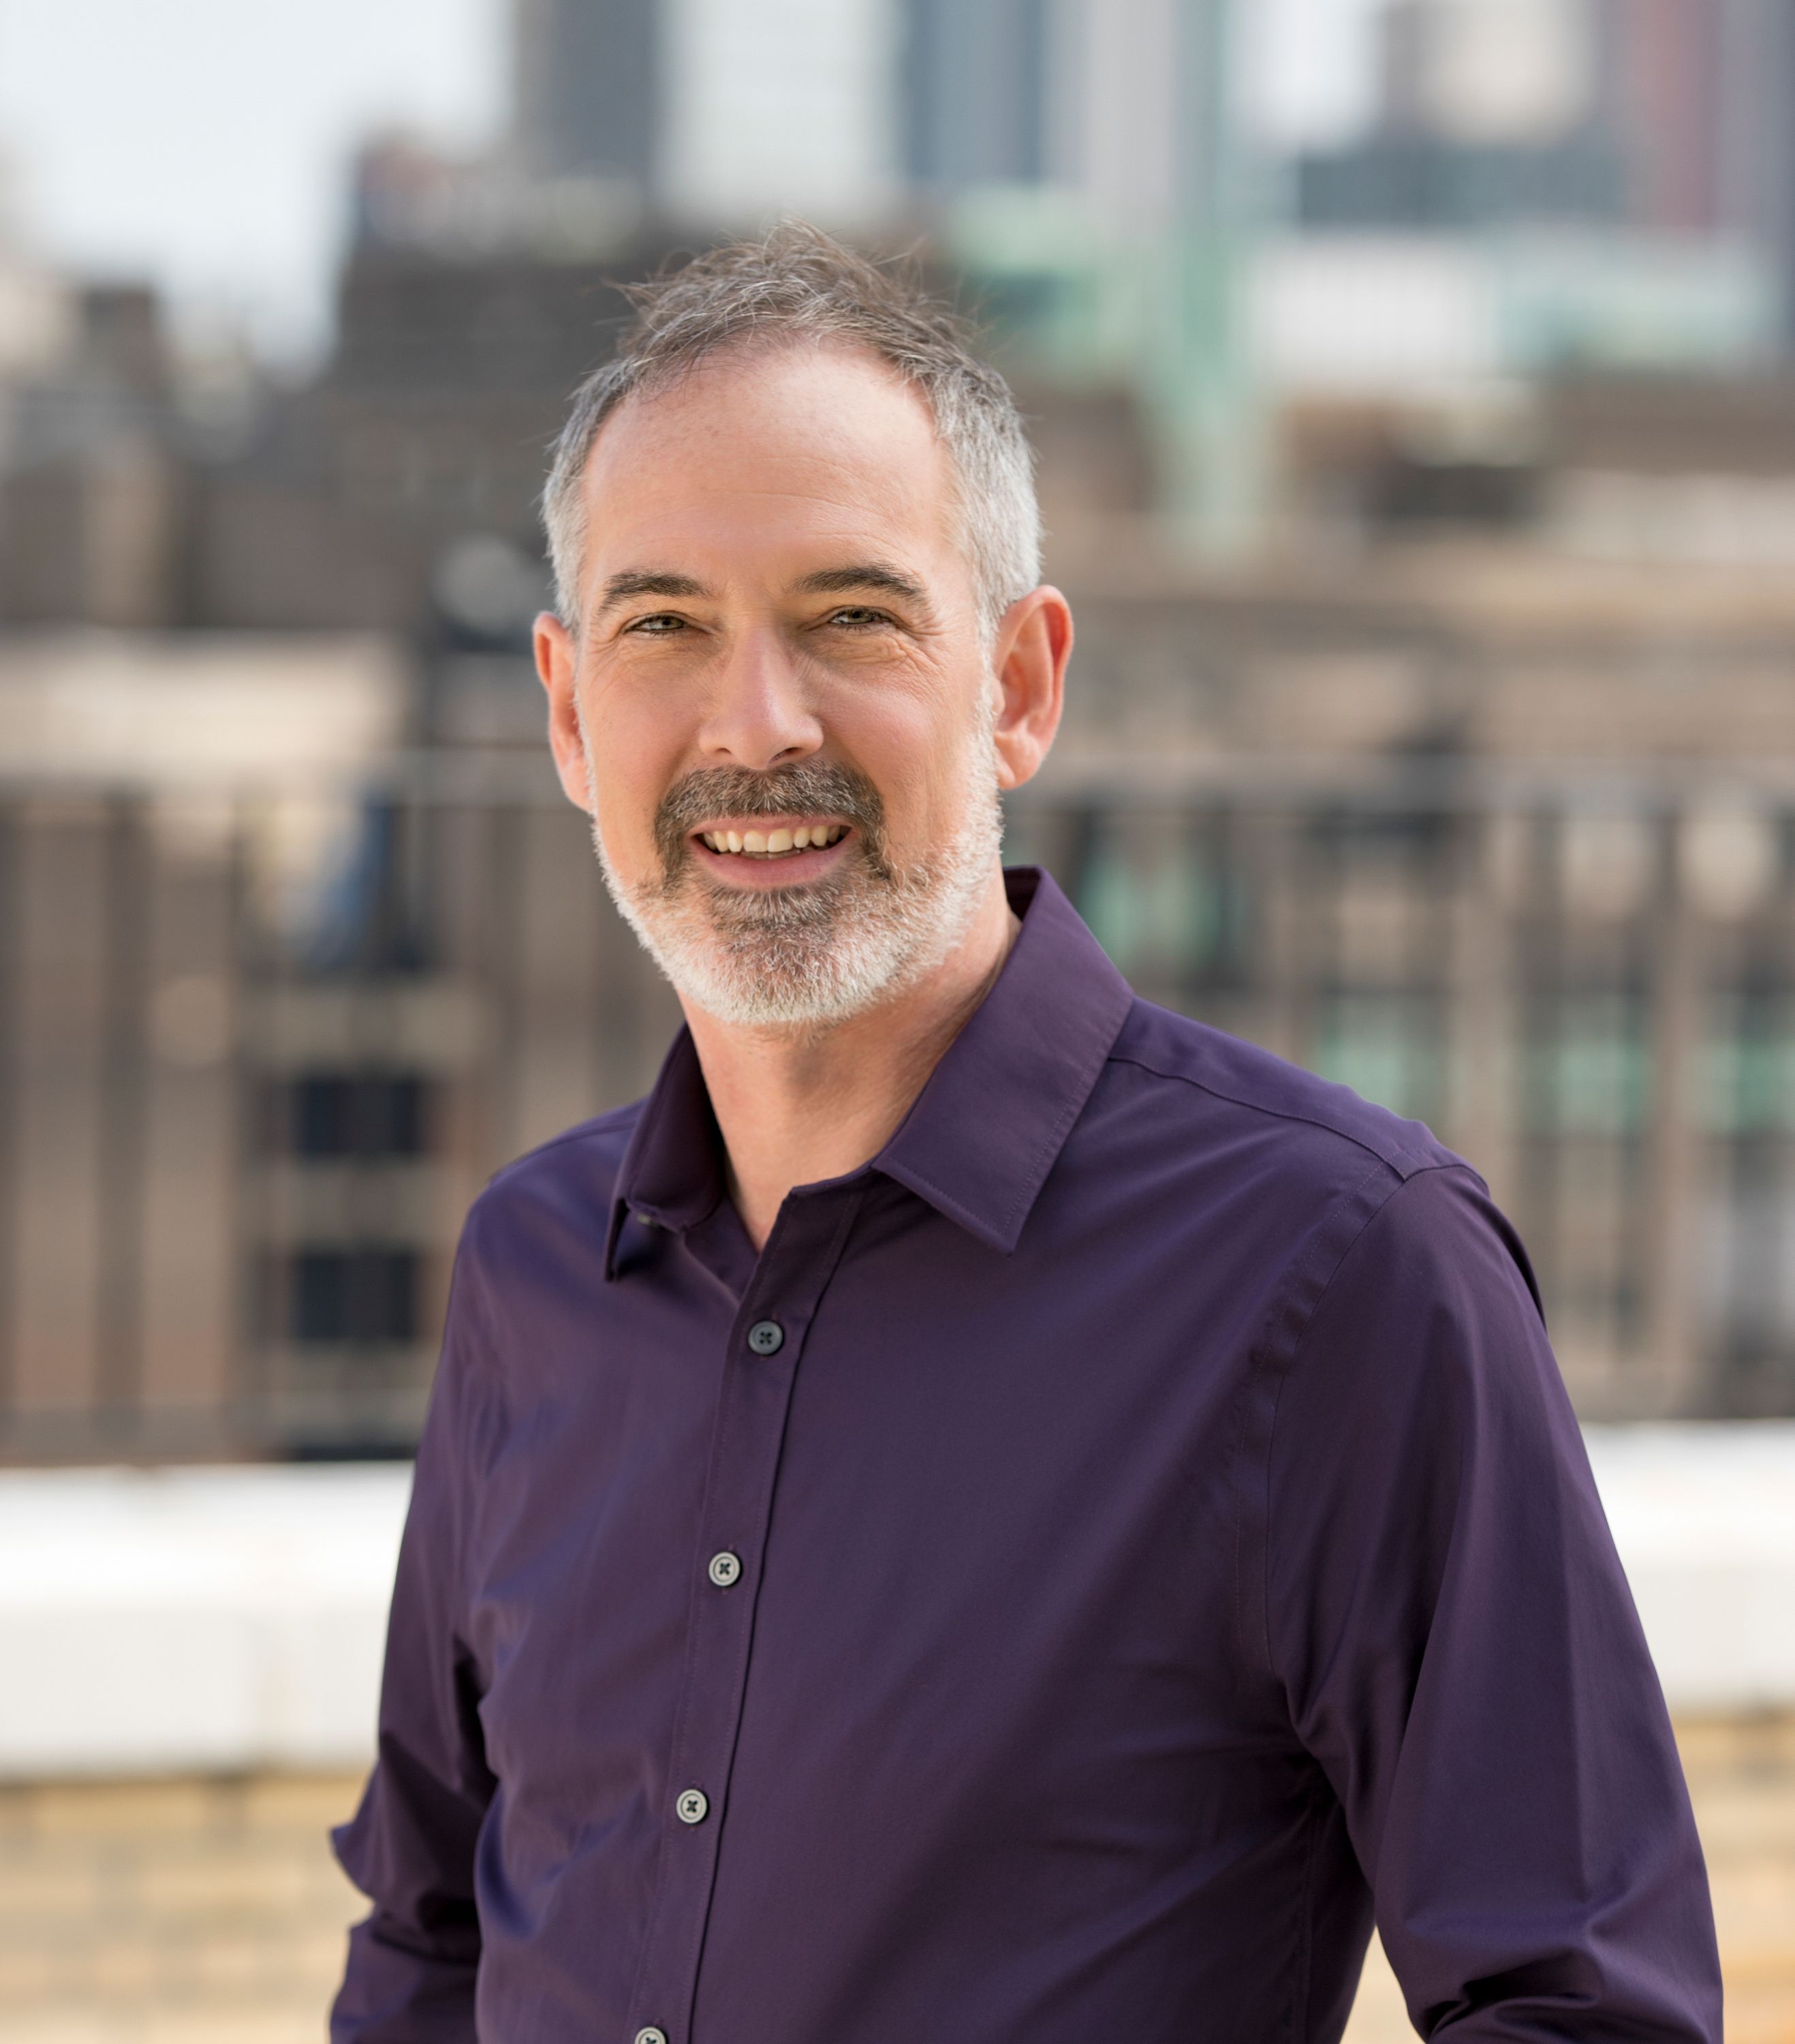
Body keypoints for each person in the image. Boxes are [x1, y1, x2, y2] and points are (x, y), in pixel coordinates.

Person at [330, 222, 1720, 2044]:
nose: (756, 724)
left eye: (851, 617)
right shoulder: (534, 1264)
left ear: (1016, 685)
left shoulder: (1339, 1269)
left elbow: (1583, 2005)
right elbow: (433, 1943)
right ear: (572, 714)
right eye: (663, 624)